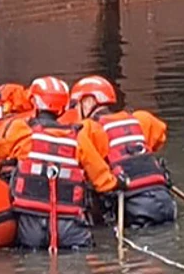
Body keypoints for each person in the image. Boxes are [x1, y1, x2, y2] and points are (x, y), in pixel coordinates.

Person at [0, 76, 126, 250]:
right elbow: (101, 180)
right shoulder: (78, 138)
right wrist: (119, 182)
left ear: (35, 102)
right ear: (64, 107)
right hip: (70, 225)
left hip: (31, 225)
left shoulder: (20, 131)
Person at [68, 75, 177, 227]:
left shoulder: (87, 130)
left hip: (135, 207)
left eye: (75, 105)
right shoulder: (140, 118)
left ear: (87, 103)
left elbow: (97, 174)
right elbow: (160, 135)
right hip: (166, 201)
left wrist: (111, 183)